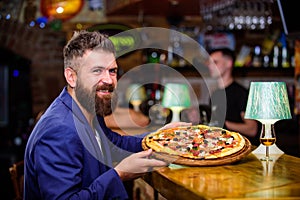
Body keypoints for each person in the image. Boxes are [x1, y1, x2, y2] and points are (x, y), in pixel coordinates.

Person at [24, 30, 190, 200]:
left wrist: (160, 138)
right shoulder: (59, 130)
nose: (109, 80)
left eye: (112, 71)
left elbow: (114, 144)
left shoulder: (88, 108)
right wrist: (119, 175)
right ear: (71, 77)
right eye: (97, 71)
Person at [207, 47, 258, 141]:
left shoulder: (241, 93)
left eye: (215, 62)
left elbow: (252, 129)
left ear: (229, 63)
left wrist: (222, 124)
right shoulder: (215, 94)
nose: (210, 66)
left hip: (240, 147)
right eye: (209, 63)